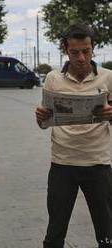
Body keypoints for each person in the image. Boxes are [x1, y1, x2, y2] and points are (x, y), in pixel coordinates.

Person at [35, 24, 112, 248]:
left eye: (86, 51)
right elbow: (44, 123)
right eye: (74, 52)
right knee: (55, 233)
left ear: (93, 48)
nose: (81, 57)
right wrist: (40, 117)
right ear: (65, 51)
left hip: (98, 163)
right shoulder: (52, 78)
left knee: (106, 232)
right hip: (62, 164)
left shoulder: (108, 77)